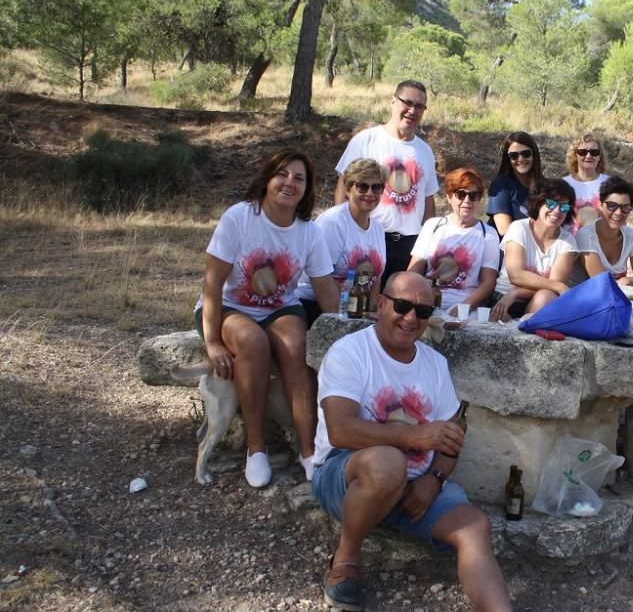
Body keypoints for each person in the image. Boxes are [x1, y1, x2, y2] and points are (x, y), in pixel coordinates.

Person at [312, 272, 512, 612]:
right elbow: (340, 430)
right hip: (348, 476)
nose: (410, 318)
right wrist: (414, 436)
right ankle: (345, 559)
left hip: (416, 484)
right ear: (381, 304)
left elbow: (451, 437)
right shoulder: (351, 352)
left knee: (475, 527)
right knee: (388, 463)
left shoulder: (434, 363)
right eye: (402, 306)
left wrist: (434, 482)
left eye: (422, 311)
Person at [195, 149, 339, 487]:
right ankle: (255, 447)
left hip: (278, 307)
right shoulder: (240, 217)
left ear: (307, 188)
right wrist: (213, 340)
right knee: (252, 342)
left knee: (296, 344)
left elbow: (326, 289)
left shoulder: (309, 232)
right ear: (267, 179)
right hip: (230, 306)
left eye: (299, 178)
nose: (290, 182)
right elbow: (213, 281)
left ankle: (308, 450)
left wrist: (339, 337)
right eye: (282, 174)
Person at [333, 80, 439, 289]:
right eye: (407, 102)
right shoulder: (366, 140)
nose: (412, 110)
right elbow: (342, 188)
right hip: (368, 238)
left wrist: (425, 245)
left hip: (409, 245)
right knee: (361, 303)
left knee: (398, 303)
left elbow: (428, 201)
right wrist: (344, 229)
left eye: (419, 106)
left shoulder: (424, 151)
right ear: (392, 101)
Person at [298, 158, 387, 325]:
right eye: (362, 186)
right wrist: (356, 313)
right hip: (317, 306)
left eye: (376, 187)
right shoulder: (333, 222)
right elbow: (321, 278)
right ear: (348, 189)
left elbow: (377, 278)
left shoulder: (378, 229)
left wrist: (372, 313)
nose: (370, 193)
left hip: (357, 309)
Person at [408, 166, 501, 313]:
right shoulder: (433, 226)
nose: (467, 200)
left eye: (473, 195)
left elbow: (488, 283)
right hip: (428, 301)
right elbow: (414, 269)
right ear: (449, 196)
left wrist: (461, 309)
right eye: (461, 194)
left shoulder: (488, 234)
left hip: (466, 306)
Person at [491, 178, 578, 322]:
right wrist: (559, 286)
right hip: (504, 299)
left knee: (546, 295)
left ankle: (529, 330)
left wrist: (516, 292)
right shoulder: (519, 228)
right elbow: (516, 275)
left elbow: (553, 287)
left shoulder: (567, 241)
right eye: (551, 203)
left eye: (564, 207)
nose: (556, 211)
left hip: (537, 300)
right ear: (539, 203)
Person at [573, 176, 633, 308]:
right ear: (600, 205)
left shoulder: (632, 236)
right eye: (612, 206)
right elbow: (602, 284)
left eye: (625, 208)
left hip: (612, 299)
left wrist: (627, 281)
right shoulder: (585, 237)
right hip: (584, 302)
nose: (618, 213)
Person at [486, 131, 543, 238]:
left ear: (534, 154)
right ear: (508, 159)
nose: (520, 159)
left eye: (526, 154)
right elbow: (504, 229)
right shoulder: (501, 186)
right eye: (514, 156)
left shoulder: (545, 186)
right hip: (509, 250)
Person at [562, 132, 609, 233]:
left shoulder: (610, 184)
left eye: (594, 152)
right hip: (571, 244)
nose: (588, 156)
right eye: (582, 152)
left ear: (600, 156)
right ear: (575, 155)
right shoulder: (563, 184)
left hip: (601, 244)